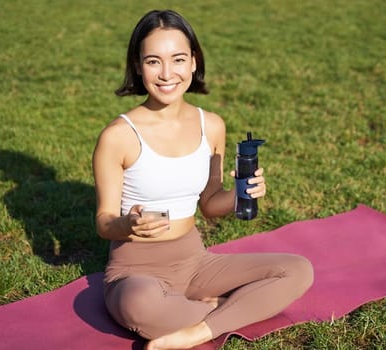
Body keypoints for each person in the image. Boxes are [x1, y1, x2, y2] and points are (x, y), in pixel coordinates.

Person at [92, 9, 314, 350]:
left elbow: (210, 204)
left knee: (298, 270)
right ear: (138, 66)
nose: (167, 73)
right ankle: (230, 310)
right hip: (136, 271)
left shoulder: (211, 125)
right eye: (153, 61)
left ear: (194, 62)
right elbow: (104, 223)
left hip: (196, 263)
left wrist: (243, 193)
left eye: (178, 59)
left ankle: (196, 329)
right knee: (138, 304)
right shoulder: (119, 135)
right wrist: (128, 225)